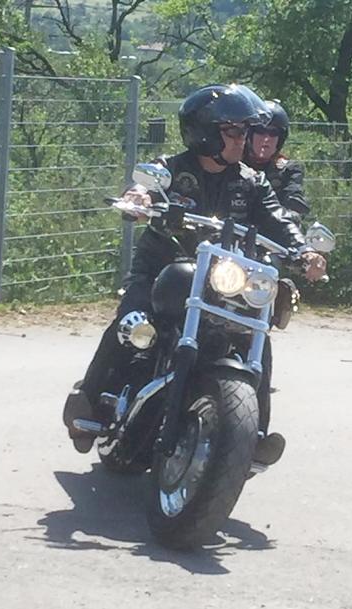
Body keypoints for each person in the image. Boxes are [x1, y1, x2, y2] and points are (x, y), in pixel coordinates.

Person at [63, 84, 327, 464]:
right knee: (134, 321)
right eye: (233, 131)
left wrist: (304, 251)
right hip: (162, 268)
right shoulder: (172, 169)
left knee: (256, 335)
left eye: (245, 131)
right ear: (205, 132)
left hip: (222, 278)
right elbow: (144, 188)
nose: (242, 139)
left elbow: (278, 218)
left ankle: (254, 435)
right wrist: (138, 198)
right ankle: (88, 401)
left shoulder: (251, 181)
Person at [244, 100, 309, 226]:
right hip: (236, 231)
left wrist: (293, 213)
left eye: (273, 133)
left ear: (280, 139)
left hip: (275, 231)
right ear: (249, 134)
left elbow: (294, 196)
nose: (266, 139)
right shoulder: (235, 166)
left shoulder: (289, 169)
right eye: (260, 130)